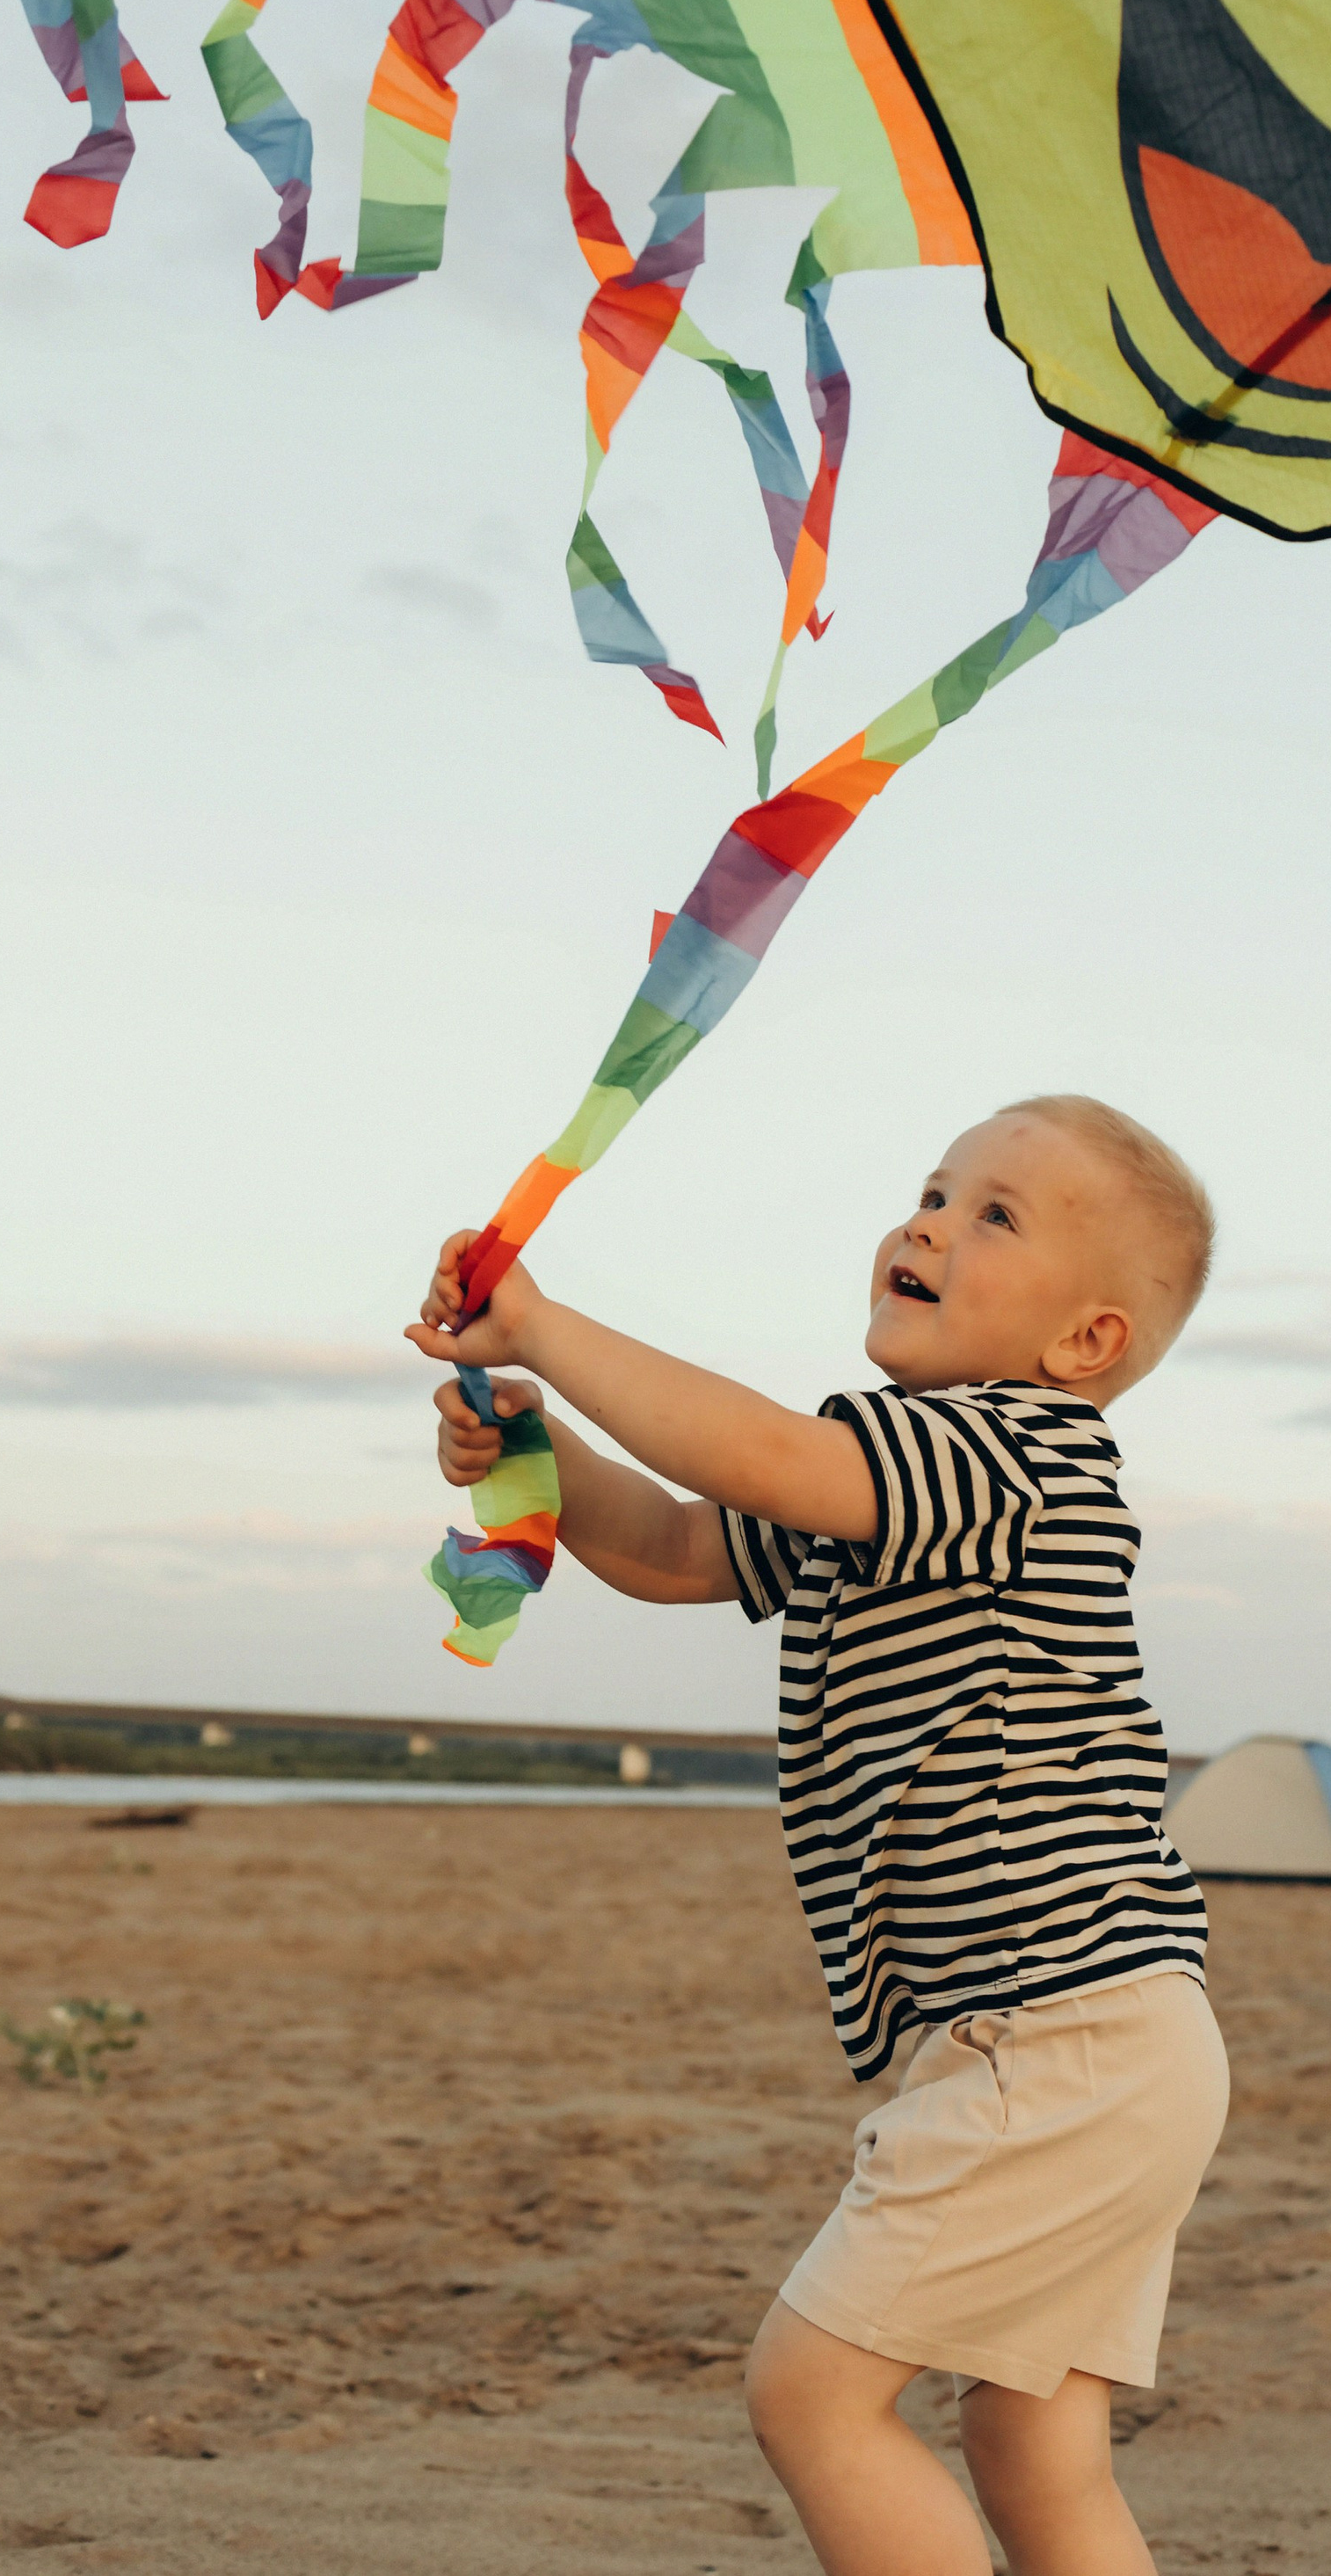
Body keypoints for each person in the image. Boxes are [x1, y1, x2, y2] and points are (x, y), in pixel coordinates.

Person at [408, 1094, 1227, 2576]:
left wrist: (543, 1327)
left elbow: (765, 1455)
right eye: (932, 1188)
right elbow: (673, 1543)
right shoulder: (888, 1490)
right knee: (1034, 2448)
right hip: (1093, 2037)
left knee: (810, 2390)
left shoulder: (1009, 1457)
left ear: (1086, 1345)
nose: (926, 1221)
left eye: (993, 1215)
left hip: (1059, 2032)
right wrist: (536, 1436)